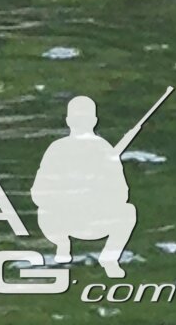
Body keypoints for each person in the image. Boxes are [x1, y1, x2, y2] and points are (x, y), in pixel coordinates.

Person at [34, 96, 138, 276]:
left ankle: (110, 258)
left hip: (95, 219)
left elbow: (121, 194)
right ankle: (62, 247)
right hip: (62, 219)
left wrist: (97, 192)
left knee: (128, 211)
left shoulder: (104, 150)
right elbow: (38, 193)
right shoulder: (57, 149)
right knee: (44, 212)